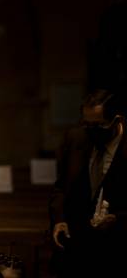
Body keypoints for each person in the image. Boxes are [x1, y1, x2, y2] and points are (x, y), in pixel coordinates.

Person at [50, 90, 126, 277]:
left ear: (116, 121)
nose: (91, 130)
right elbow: (60, 186)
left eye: (98, 125)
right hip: (75, 245)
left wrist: (117, 219)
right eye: (86, 124)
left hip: (117, 249)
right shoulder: (75, 138)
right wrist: (59, 219)